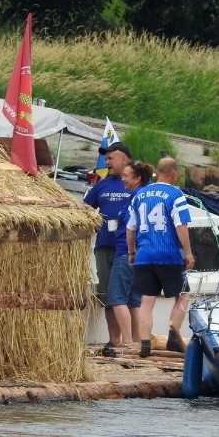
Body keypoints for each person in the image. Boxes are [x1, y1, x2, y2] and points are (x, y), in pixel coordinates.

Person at [126, 157, 195, 358]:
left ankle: (145, 344)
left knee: (146, 300)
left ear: (157, 172)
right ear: (174, 174)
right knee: (183, 295)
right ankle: (174, 335)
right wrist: (188, 252)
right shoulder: (176, 194)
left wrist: (131, 252)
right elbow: (180, 225)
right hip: (168, 255)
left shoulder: (139, 195)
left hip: (145, 254)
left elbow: (130, 228)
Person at [83, 141, 133, 357]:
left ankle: (130, 342)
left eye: (111, 158)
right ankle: (114, 341)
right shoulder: (101, 185)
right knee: (107, 294)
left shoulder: (134, 184)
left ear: (124, 159)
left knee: (125, 296)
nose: (107, 162)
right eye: (106, 158)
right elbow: (85, 208)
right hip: (104, 246)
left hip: (127, 249)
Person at [102, 161, 153, 356]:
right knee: (133, 300)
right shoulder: (145, 196)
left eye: (126, 176)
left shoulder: (135, 197)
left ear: (137, 178)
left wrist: (130, 251)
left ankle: (127, 343)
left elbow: (131, 226)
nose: (122, 179)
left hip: (126, 251)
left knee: (116, 296)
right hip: (140, 254)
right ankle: (138, 343)